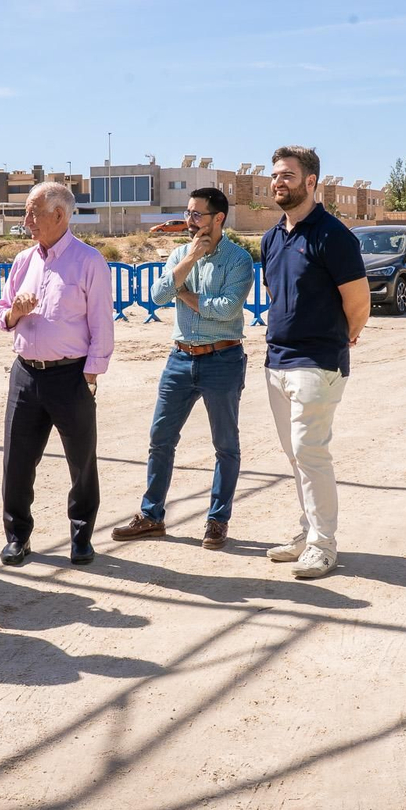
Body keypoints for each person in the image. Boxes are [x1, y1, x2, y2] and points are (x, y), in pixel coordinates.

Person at [111, 187, 255, 550]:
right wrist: (188, 262)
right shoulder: (179, 253)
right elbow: (157, 296)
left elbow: (225, 310)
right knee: (160, 440)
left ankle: (217, 521)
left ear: (217, 218)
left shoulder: (238, 260)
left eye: (196, 215)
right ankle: (151, 516)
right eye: (188, 214)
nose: (189, 221)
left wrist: (184, 293)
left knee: (225, 446)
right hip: (179, 359)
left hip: (222, 359)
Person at [260, 146, 369, 580]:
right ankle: (307, 533)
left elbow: (359, 305)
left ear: (311, 182)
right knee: (295, 455)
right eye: (275, 175)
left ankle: (324, 544)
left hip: (317, 362)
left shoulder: (334, 235)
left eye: (287, 175)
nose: (277, 182)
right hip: (276, 360)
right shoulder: (271, 238)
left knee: (311, 452)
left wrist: (338, 341)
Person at [0, 181, 114, 567]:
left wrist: (91, 375)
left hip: (71, 376)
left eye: (32, 213)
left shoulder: (88, 261)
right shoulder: (22, 261)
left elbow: (101, 324)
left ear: (59, 215)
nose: (26, 221)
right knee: (16, 461)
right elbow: (3, 315)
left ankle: (81, 538)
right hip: (26, 374)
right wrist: (16, 312)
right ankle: (17, 538)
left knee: (81, 462)